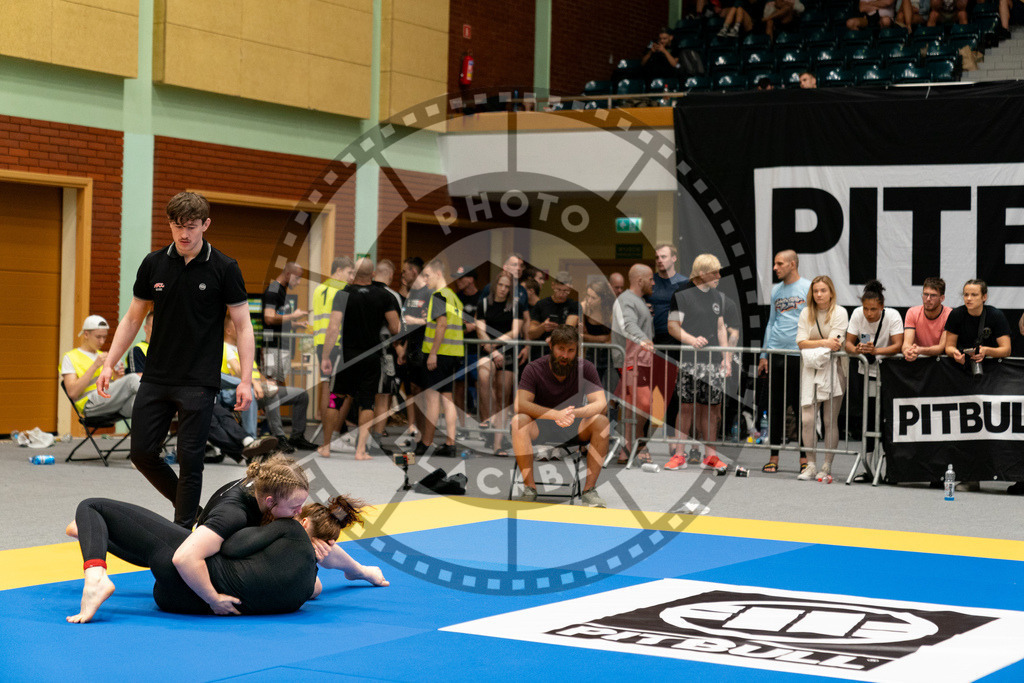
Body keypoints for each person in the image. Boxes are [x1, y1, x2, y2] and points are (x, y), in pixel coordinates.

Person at [96, 191, 254, 529]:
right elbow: (132, 319)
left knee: (190, 459)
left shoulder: (225, 267)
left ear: (205, 225)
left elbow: (242, 325)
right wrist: (110, 362)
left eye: (192, 227)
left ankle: (183, 531)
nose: (184, 235)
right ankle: (193, 511)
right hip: (156, 375)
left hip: (199, 378)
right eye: (178, 226)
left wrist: (246, 379)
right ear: (170, 224)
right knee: (141, 453)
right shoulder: (153, 263)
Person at [66, 486, 386, 622]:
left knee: (93, 508)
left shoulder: (288, 528)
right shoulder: (305, 581)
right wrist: (356, 569)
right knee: (162, 545)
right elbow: (316, 576)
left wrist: (356, 567)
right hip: (192, 568)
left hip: (188, 569)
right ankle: (98, 533)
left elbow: (223, 549)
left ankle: (96, 551)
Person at [511, 325, 610, 508]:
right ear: (551, 347)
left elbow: (601, 404)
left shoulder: (585, 367)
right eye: (561, 349)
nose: (565, 355)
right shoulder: (534, 368)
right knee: (518, 421)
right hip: (541, 425)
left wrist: (574, 412)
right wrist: (555, 414)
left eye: (570, 350)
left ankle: (589, 491)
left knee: (602, 422)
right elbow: (520, 404)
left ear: (577, 350)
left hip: (573, 425)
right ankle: (529, 489)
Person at [320, 258, 402, 460]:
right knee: (367, 402)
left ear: (354, 274)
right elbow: (395, 328)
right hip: (371, 357)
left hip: (347, 356)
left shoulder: (343, 294)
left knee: (334, 399)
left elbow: (333, 327)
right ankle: (361, 450)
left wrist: (325, 356)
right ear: (373, 275)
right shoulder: (384, 296)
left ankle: (326, 446)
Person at [665, 255, 733, 472]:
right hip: (689, 361)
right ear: (702, 273)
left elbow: (721, 327)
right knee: (685, 407)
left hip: (713, 363)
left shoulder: (718, 297)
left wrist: (726, 358)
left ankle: (710, 456)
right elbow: (673, 326)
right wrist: (691, 340)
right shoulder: (681, 294)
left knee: (711, 409)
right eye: (714, 272)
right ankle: (679, 454)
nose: (719, 277)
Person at [222, 317, 318, 452]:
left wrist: (265, 381)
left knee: (301, 395)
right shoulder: (224, 347)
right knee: (271, 392)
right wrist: (255, 384)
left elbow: (254, 371)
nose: (242, 328)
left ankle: (297, 437)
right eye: (237, 326)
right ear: (228, 331)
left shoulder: (241, 348)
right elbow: (236, 370)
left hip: (259, 388)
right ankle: (278, 437)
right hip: (239, 392)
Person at [845, 280, 904, 481]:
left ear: (882, 306)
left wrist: (875, 351)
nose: (869, 313)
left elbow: (898, 345)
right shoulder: (856, 315)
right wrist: (858, 350)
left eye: (873, 309)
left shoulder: (893, 316)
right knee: (868, 420)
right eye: (866, 308)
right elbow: (848, 344)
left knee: (888, 422)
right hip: (865, 375)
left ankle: (892, 470)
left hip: (888, 376)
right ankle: (868, 468)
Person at [758, 250, 809, 474]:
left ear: (792, 264)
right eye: (774, 263)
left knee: (801, 409)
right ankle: (774, 457)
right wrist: (764, 354)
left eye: (779, 264)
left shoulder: (808, 288)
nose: (775, 268)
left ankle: (805, 459)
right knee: (776, 408)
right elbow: (771, 323)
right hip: (777, 353)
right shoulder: (776, 290)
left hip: (800, 355)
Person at [795, 276, 849, 482]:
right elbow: (800, 342)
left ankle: (826, 465)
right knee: (807, 419)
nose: (819, 294)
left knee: (829, 419)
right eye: (816, 290)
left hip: (835, 369)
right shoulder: (805, 312)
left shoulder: (840, 312)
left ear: (831, 292)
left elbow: (836, 344)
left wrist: (817, 344)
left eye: (823, 290)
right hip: (809, 370)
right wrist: (824, 343)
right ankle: (810, 465)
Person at [411, 259, 465, 457]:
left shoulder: (439, 296)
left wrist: (432, 352)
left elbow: (441, 325)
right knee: (447, 398)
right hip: (453, 354)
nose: (425, 280)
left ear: (438, 274)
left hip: (439, 354)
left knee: (432, 399)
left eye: (427, 275)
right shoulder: (453, 297)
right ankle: (450, 443)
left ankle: (426, 443)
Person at [612, 263, 655, 465]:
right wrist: (645, 341)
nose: (653, 283)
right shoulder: (625, 300)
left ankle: (629, 447)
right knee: (641, 404)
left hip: (639, 360)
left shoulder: (635, 301)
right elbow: (628, 326)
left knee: (635, 406)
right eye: (651, 279)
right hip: (630, 361)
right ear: (640, 280)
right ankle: (631, 445)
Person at [476, 271, 524, 455]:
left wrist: (497, 344)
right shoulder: (484, 303)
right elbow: (480, 331)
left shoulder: (515, 305)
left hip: (508, 352)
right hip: (488, 350)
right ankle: (489, 419)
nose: (503, 289)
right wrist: (493, 350)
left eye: (507, 287)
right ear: (495, 286)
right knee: (483, 375)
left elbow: (515, 331)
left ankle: (498, 444)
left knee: (503, 393)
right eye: (501, 285)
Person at [60, 315, 141, 420]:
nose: (102, 341)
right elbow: (72, 393)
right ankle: (159, 398)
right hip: (89, 404)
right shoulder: (70, 357)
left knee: (141, 403)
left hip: (111, 403)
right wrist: (95, 366)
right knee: (133, 378)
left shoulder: (104, 356)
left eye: (104, 337)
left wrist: (118, 376)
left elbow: (113, 389)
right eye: (98, 337)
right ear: (86, 334)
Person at [312, 257, 354, 421]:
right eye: (349, 272)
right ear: (338, 270)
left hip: (320, 342)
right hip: (336, 342)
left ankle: (324, 422)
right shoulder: (343, 289)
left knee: (325, 384)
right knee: (339, 389)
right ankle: (333, 425)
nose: (351, 277)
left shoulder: (319, 288)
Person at [372, 259, 405, 442]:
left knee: (362, 395)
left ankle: (352, 438)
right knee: (383, 394)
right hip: (384, 348)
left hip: (360, 348)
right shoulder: (391, 295)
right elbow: (396, 328)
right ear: (391, 276)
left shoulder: (359, 292)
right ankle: (376, 438)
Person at [262, 261, 308, 383]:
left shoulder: (283, 290)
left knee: (279, 384)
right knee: (271, 386)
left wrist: (296, 324)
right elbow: (269, 318)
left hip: (281, 347)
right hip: (272, 347)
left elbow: (279, 320)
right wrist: (293, 315)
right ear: (288, 274)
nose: (298, 282)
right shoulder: (273, 289)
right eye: (297, 278)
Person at [453, 265, 481, 436]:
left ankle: (486, 428)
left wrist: (472, 326)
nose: (458, 281)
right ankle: (462, 426)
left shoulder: (482, 298)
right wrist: (467, 327)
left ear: (470, 279)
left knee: (481, 386)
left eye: (461, 278)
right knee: (459, 388)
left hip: (477, 350)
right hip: (459, 350)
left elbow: (480, 324)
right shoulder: (455, 298)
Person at [528, 271, 580, 361]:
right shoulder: (541, 304)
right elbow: (531, 333)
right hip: (541, 354)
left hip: (563, 355)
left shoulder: (574, 305)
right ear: (553, 286)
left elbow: (569, 327)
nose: (561, 294)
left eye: (565, 291)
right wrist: (543, 327)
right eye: (558, 290)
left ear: (570, 288)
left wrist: (554, 337)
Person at [903, 277, 951, 361]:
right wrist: (907, 351)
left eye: (933, 295)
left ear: (942, 298)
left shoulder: (949, 314)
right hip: (918, 361)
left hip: (941, 363)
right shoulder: (912, 312)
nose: (928, 299)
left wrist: (919, 350)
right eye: (925, 294)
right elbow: (906, 343)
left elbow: (941, 348)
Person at [580, 278, 615, 389]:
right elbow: (580, 336)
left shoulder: (611, 310)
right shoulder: (584, 307)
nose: (589, 300)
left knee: (610, 389)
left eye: (593, 298)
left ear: (602, 299)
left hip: (610, 355)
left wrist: (587, 337)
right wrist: (602, 339)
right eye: (588, 296)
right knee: (591, 389)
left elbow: (610, 339)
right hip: (591, 353)